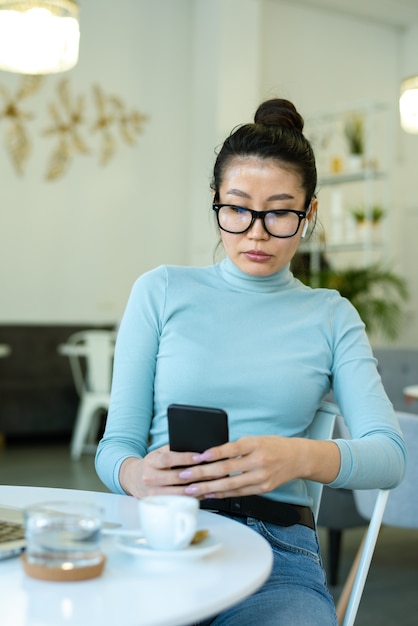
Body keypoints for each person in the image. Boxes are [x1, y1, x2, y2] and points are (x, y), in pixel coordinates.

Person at [95, 98, 406, 625]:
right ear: (215, 202)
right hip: (160, 538)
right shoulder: (161, 291)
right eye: (237, 207)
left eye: (280, 211)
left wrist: (300, 457)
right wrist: (136, 475)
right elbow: (115, 446)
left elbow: (391, 456)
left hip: (277, 554)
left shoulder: (331, 315)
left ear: (307, 214)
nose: (256, 232)